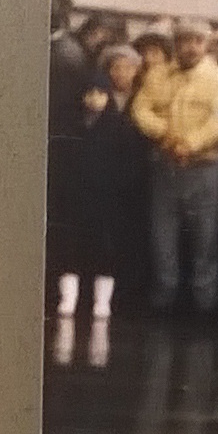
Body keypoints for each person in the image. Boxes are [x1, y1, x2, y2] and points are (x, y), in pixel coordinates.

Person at [129, 22, 218, 317]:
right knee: (162, 237)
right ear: (176, 44)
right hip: (165, 167)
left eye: (197, 41)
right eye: (184, 41)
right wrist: (165, 134)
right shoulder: (157, 75)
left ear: (206, 45)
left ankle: (204, 307)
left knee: (206, 238)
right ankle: (163, 301)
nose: (190, 47)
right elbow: (140, 109)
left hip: (204, 169)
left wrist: (189, 143)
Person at [46, 43, 144, 323]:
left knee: (104, 251)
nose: (94, 99)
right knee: (71, 250)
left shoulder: (120, 127)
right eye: (89, 93)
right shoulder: (71, 126)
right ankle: (70, 298)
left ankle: (102, 301)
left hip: (107, 201)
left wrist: (117, 188)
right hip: (75, 199)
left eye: (100, 94)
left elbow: (129, 166)